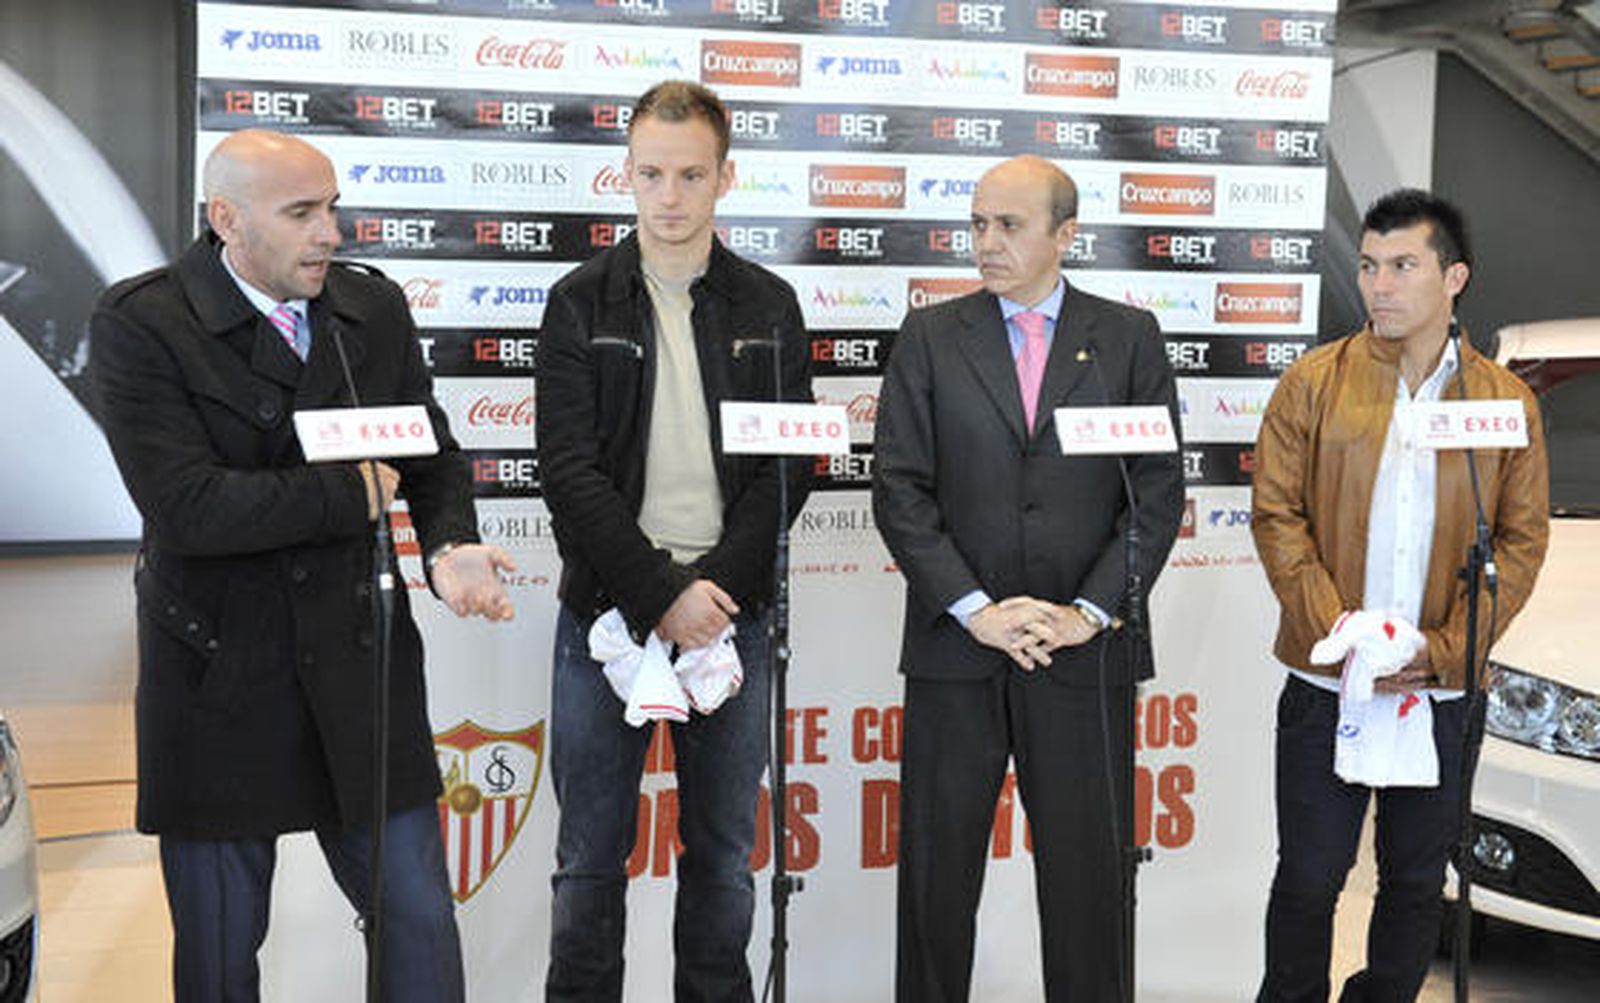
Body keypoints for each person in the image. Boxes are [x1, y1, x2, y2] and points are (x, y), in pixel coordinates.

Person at [88, 129, 515, 1003]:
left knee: (421, 929)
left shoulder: (373, 310)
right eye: (302, 214)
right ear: (226, 220)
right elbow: (188, 508)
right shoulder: (142, 322)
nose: (330, 233)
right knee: (217, 956)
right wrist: (344, 498)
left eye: (332, 209)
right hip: (218, 679)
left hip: (362, 673)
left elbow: (426, 456)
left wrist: (448, 544)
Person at [872, 154, 1185, 1001]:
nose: (986, 242)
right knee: (936, 886)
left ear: (1065, 235)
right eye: (977, 224)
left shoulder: (1128, 338)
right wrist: (976, 610)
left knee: (1090, 886)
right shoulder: (931, 337)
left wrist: (1088, 610)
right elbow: (898, 488)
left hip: (1082, 656)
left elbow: (1156, 493)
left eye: (1007, 225)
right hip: (957, 649)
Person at [535, 80, 812, 1003]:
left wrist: (712, 596)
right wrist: (659, 594)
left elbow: (790, 468)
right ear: (626, 173)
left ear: (725, 177)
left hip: (728, 617)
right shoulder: (580, 302)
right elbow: (568, 473)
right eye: (651, 173)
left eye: (691, 174)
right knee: (587, 868)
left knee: (725, 865)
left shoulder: (770, 305)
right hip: (606, 615)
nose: (669, 196)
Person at [1250, 189, 1549, 1001]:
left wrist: (1445, 651)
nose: (1380, 285)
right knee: (1309, 879)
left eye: (1403, 266)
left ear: (1454, 277)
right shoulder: (1315, 381)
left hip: (1440, 688)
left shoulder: (1502, 403)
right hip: (1327, 682)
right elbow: (1276, 515)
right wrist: (1340, 634)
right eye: (1370, 266)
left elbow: (1521, 542)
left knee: (1418, 883)